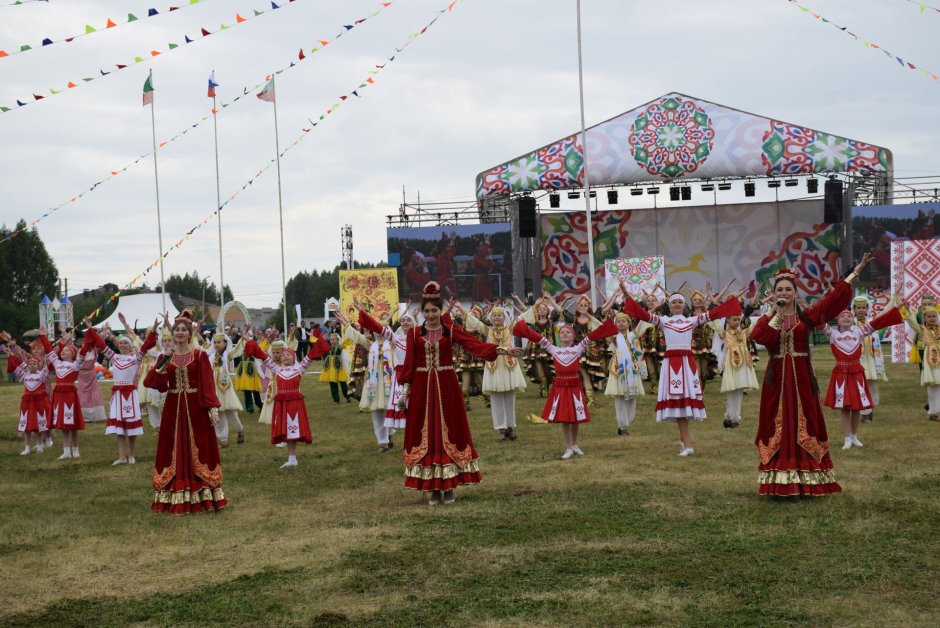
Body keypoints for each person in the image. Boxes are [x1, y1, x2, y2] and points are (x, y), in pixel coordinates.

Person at [750, 253, 872, 497]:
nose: (784, 293)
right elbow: (760, 337)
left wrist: (854, 273)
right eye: (780, 289)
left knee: (806, 422)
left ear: (796, 293)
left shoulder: (808, 316)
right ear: (774, 294)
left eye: (788, 289)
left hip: (802, 379)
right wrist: (775, 313)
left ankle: (809, 478)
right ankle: (779, 479)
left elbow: (834, 301)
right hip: (777, 381)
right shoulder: (768, 318)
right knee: (777, 423)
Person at [396, 281, 518, 506]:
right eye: (427, 311)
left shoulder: (450, 330)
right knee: (428, 433)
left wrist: (502, 350)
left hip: (447, 385)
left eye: (434, 310)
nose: (431, 315)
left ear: (440, 311)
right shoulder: (414, 334)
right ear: (422, 313)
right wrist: (405, 393)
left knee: (448, 431)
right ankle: (433, 488)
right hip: (423, 388)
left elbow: (474, 345)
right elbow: (409, 365)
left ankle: (449, 486)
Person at [620, 281, 743, 457]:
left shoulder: (691, 321)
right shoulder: (664, 321)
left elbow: (713, 313)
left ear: (684, 305)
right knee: (679, 405)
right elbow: (642, 314)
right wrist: (626, 294)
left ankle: (687, 444)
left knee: (682, 405)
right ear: (669, 306)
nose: (677, 304)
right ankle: (686, 442)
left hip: (686, 364)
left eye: (679, 302)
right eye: (673, 302)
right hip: (671, 365)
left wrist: (731, 304)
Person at [144, 310, 226, 514]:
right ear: (172, 333)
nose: (180, 333)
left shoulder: (199, 355)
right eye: (177, 329)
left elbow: (207, 384)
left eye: (184, 330)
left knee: (198, 445)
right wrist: (163, 362)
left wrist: (212, 408)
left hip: (195, 407)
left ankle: (203, 492)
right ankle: (174, 490)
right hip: (173, 407)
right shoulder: (166, 357)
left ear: (190, 333)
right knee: (173, 446)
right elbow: (154, 383)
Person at [512, 315, 617, 458]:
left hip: (574, 387)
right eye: (562, 332)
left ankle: (574, 444)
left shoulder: (578, 348)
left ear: (573, 336)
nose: (565, 334)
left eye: (568, 332)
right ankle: (568, 447)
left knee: (575, 417)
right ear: (558, 337)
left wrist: (609, 324)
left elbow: (594, 335)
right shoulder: (553, 349)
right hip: (561, 388)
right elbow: (535, 336)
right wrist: (521, 324)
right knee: (565, 418)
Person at [242, 326, 330, 467]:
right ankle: (291, 458)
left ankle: (292, 458)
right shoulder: (277, 369)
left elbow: (313, 354)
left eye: (288, 354)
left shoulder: (300, 368)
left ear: (294, 357)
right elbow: (262, 354)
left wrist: (319, 340)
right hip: (282, 404)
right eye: (283, 355)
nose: (285, 356)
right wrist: (249, 340)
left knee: (294, 428)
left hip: (295, 403)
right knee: (286, 430)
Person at [821, 301, 903, 449]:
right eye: (842, 316)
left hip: (856, 373)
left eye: (848, 316)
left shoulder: (859, 333)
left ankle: (854, 436)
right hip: (841, 375)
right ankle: (846, 438)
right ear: (837, 321)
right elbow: (818, 320)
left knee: (857, 407)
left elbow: (878, 322)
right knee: (844, 408)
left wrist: (895, 308)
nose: (846, 318)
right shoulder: (832, 334)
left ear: (853, 320)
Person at [88, 315, 156, 465]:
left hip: (130, 395)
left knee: (131, 427)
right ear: (118, 345)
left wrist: (154, 332)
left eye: (126, 343)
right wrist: (92, 329)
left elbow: (145, 347)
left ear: (131, 346)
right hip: (118, 395)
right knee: (119, 428)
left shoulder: (135, 358)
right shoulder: (114, 357)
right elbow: (100, 343)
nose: (123, 345)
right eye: (122, 343)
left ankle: (131, 455)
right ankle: (121, 457)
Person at [460, 303, 527, 441]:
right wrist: (460, 308)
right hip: (494, 366)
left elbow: (522, 317)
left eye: (499, 315)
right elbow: (475, 322)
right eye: (494, 315)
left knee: (510, 397)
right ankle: (501, 429)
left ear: (504, 317)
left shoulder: (510, 328)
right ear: (491, 318)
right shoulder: (487, 330)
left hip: (508, 366)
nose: (497, 317)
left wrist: (532, 308)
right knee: (496, 398)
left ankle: (511, 427)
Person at [337, 308, 395, 452]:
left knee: (388, 410)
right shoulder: (370, 344)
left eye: (381, 329)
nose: (378, 332)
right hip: (374, 383)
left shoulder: (393, 343)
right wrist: (346, 323)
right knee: (376, 411)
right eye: (375, 329)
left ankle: (389, 435)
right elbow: (356, 336)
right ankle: (383, 442)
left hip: (389, 381)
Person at [44, 329, 95, 459]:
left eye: (66, 351)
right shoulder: (57, 363)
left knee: (73, 424)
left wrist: (89, 334)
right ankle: (66, 451)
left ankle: (76, 450)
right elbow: (49, 350)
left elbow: (83, 351)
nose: (63, 351)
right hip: (59, 395)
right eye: (62, 350)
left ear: (72, 354)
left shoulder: (75, 364)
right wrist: (42, 335)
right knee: (63, 424)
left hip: (70, 395)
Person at [2, 333, 52, 455]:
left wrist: (45, 363)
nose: (31, 365)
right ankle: (27, 448)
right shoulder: (25, 375)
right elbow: (16, 366)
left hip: (39, 403)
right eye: (29, 364)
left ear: (38, 365)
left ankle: (40, 444)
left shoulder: (41, 375)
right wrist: (9, 356)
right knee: (27, 426)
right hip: (27, 404)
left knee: (40, 425)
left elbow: (48, 368)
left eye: (34, 364)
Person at [710, 313, 759, 428]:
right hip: (732, 364)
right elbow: (713, 324)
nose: (737, 322)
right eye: (734, 319)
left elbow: (757, 324)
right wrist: (705, 310)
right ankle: (729, 416)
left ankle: (735, 417)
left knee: (739, 390)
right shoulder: (725, 334)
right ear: (727, 320)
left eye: (738, 319)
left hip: (743, 365)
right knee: (732, 390)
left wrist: (770, 312)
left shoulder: (743, 332)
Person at [603, 312, 648, 436]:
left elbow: (644, 322)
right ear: (615, 324)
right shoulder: (613, 337)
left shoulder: (633, 336)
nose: (621, 323)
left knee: (632, 397)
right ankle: (623, 427)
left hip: (632, 370)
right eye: (618, 321)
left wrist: (652, 310)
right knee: (620, 396)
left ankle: (626, 422)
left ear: (629, 323)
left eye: (624, 321)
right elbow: (601, 328)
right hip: (618, 369)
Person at [852, 296, 889, 423]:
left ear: (868, 308)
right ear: (854, 309)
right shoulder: (851, 324)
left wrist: (894, 301)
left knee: (872, 383)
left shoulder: (872, 321)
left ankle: (870, 407)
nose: (861, 310)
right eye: (858, 308)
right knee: (860, 384)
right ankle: (864, 414)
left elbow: (885, 315)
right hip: (858, 358)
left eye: (863, 308)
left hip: (872, 357)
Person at [205, 332, 245, 448]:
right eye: (215, 342)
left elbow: (237, 350)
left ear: (225, 343)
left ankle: (240, 429)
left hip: (225, 387)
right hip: (214, 386)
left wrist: (242, 338)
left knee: (231, 412)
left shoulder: (227, 354)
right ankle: (223, 439)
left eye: (219, 342)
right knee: (218, 411)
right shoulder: (211, 355)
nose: (217, 344)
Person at [902, 304, 940, 421]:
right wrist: (908, 311)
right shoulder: (922, 329)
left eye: (934, 316)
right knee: (933, 386)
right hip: (930, 359)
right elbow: (912, 322)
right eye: (929, 316)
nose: (932, 318)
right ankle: (933, 412)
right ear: (924, 318)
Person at [320, 333, 351, 404]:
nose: (332, 341)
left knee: (343, 383)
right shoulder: (328, 347)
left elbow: (347, 341)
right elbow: (320, 343)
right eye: (331, 340)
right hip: (331, 369)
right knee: (332, 384)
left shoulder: (340, 347)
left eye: (334, 339)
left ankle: (347, 396)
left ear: (337, 340)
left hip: (339, 368)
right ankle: (336, 400)